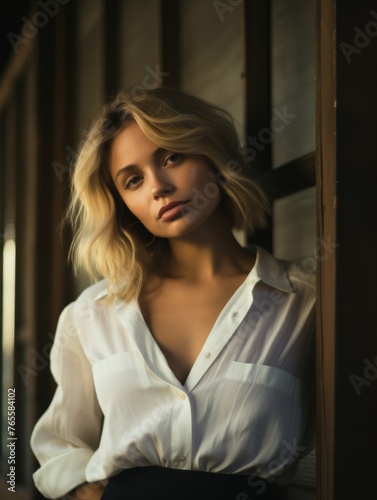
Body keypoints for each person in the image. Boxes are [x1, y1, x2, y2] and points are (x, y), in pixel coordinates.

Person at [31, 87, 316, 500]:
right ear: (122, 202)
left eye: (172, 157)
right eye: (133, 180)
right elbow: (58, 445)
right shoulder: (92, 314)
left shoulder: (304, 300)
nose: (158, 187)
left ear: (213, 157)